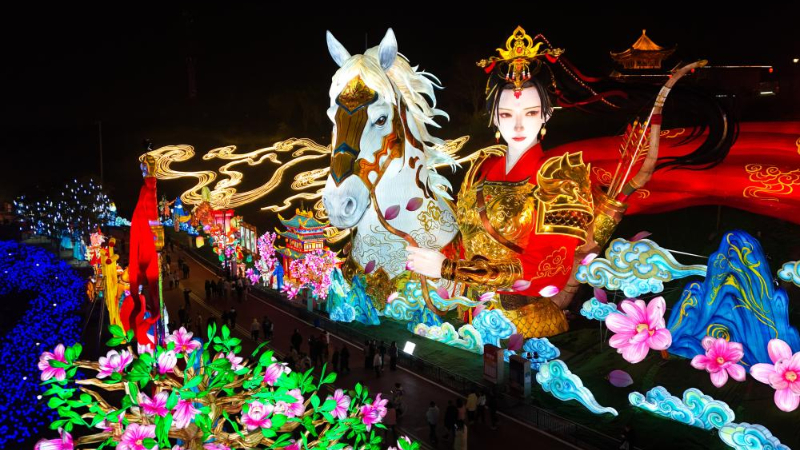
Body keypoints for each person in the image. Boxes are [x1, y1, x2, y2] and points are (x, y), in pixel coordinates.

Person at [405, 27, 596, 339]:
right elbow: (465, 240)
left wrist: (450, 269)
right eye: (507, 114)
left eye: (530, 112)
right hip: (472, 315)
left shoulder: (561, 178)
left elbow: (545, 271)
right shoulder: (482, 170)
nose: (518, 125)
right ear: (493, 117)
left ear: (546, 114)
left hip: (528, 323)